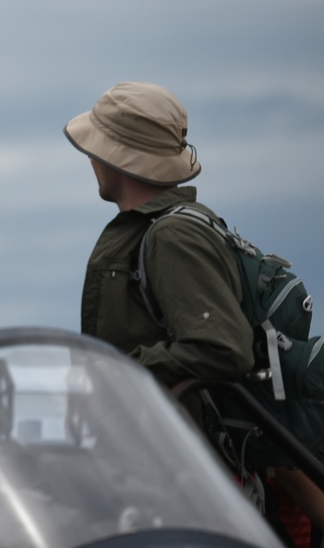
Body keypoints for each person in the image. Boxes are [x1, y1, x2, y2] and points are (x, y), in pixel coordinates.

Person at [64, 81, 322, 547]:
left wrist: (121, 373)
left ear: (116, 156)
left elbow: (221, 348)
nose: (90, 159)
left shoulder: (171, 237)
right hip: (171, 477)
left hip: (182, 483)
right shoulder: (171, 229)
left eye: (97, 148)